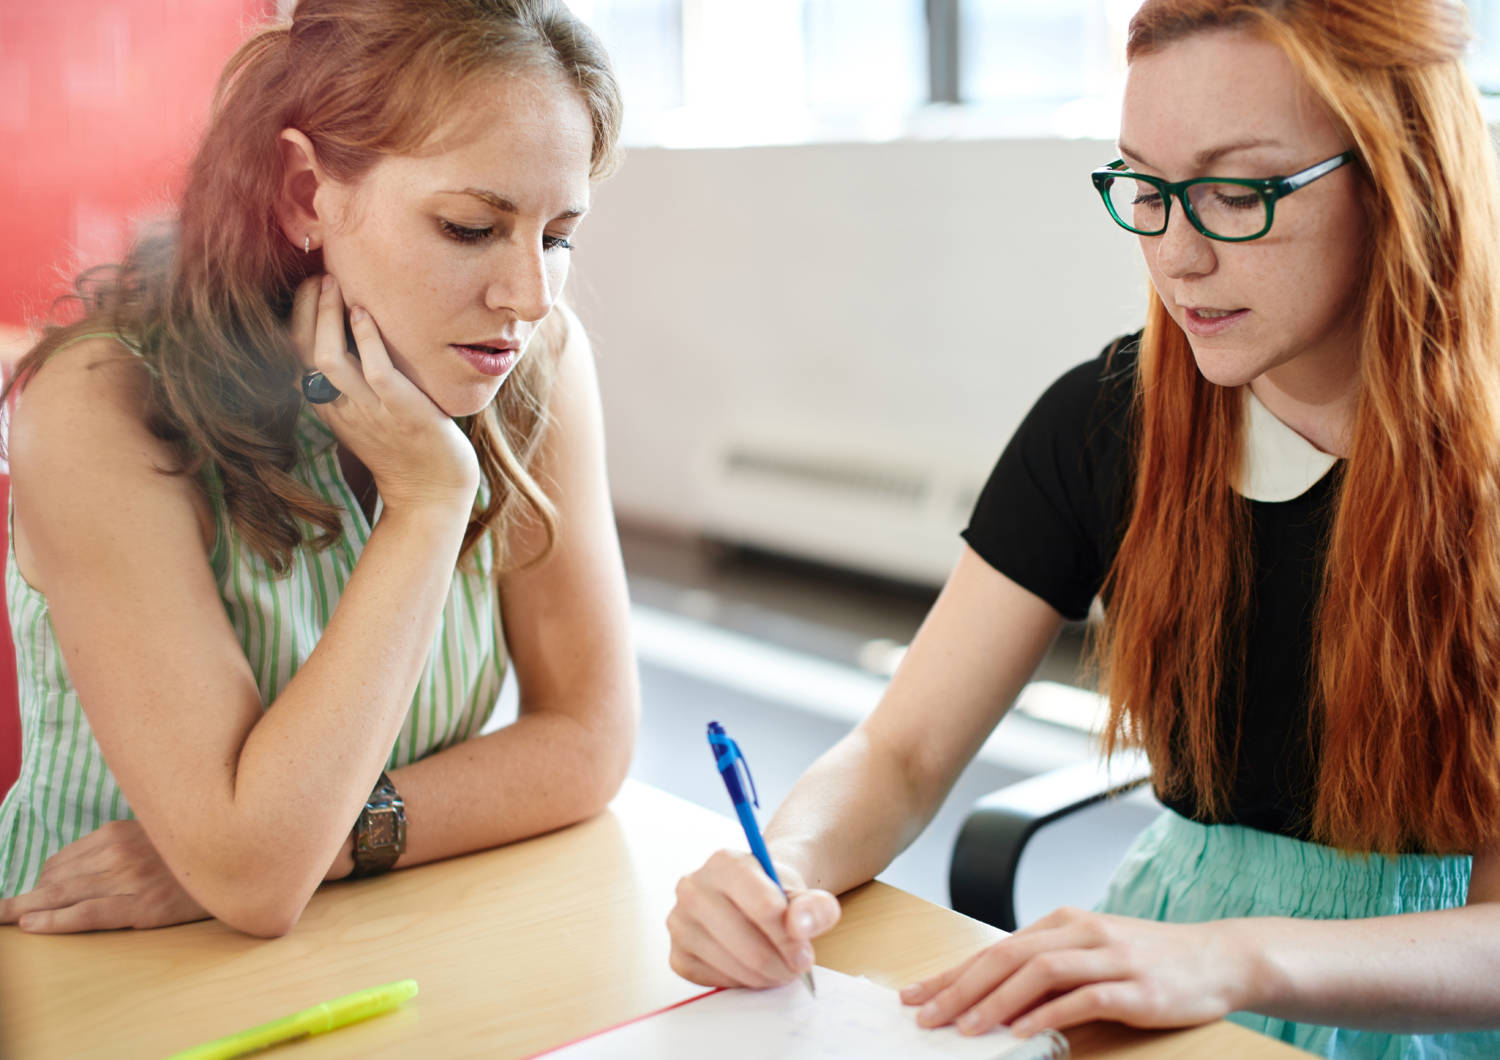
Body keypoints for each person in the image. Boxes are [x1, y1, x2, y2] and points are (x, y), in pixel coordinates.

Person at [667, 1, 1500, 1056]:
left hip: (1414, 999)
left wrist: (1230, 955)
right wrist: (776, 867)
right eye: (1145, 189)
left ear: (1402, 175)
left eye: (1236, 192)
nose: (1178, 256)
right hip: (1173, 973)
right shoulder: (1109, 419)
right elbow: (904, 750)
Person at [0, 0, 638, 938]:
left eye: (557, 236)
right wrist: (427, 502)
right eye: (470, 227)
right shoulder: (100, 403)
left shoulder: (530, 358)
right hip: (88, 966)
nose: (529, 296)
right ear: (305, 193)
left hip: (377, 937)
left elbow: (587, 741)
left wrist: (332, 840)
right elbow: (256, 882)